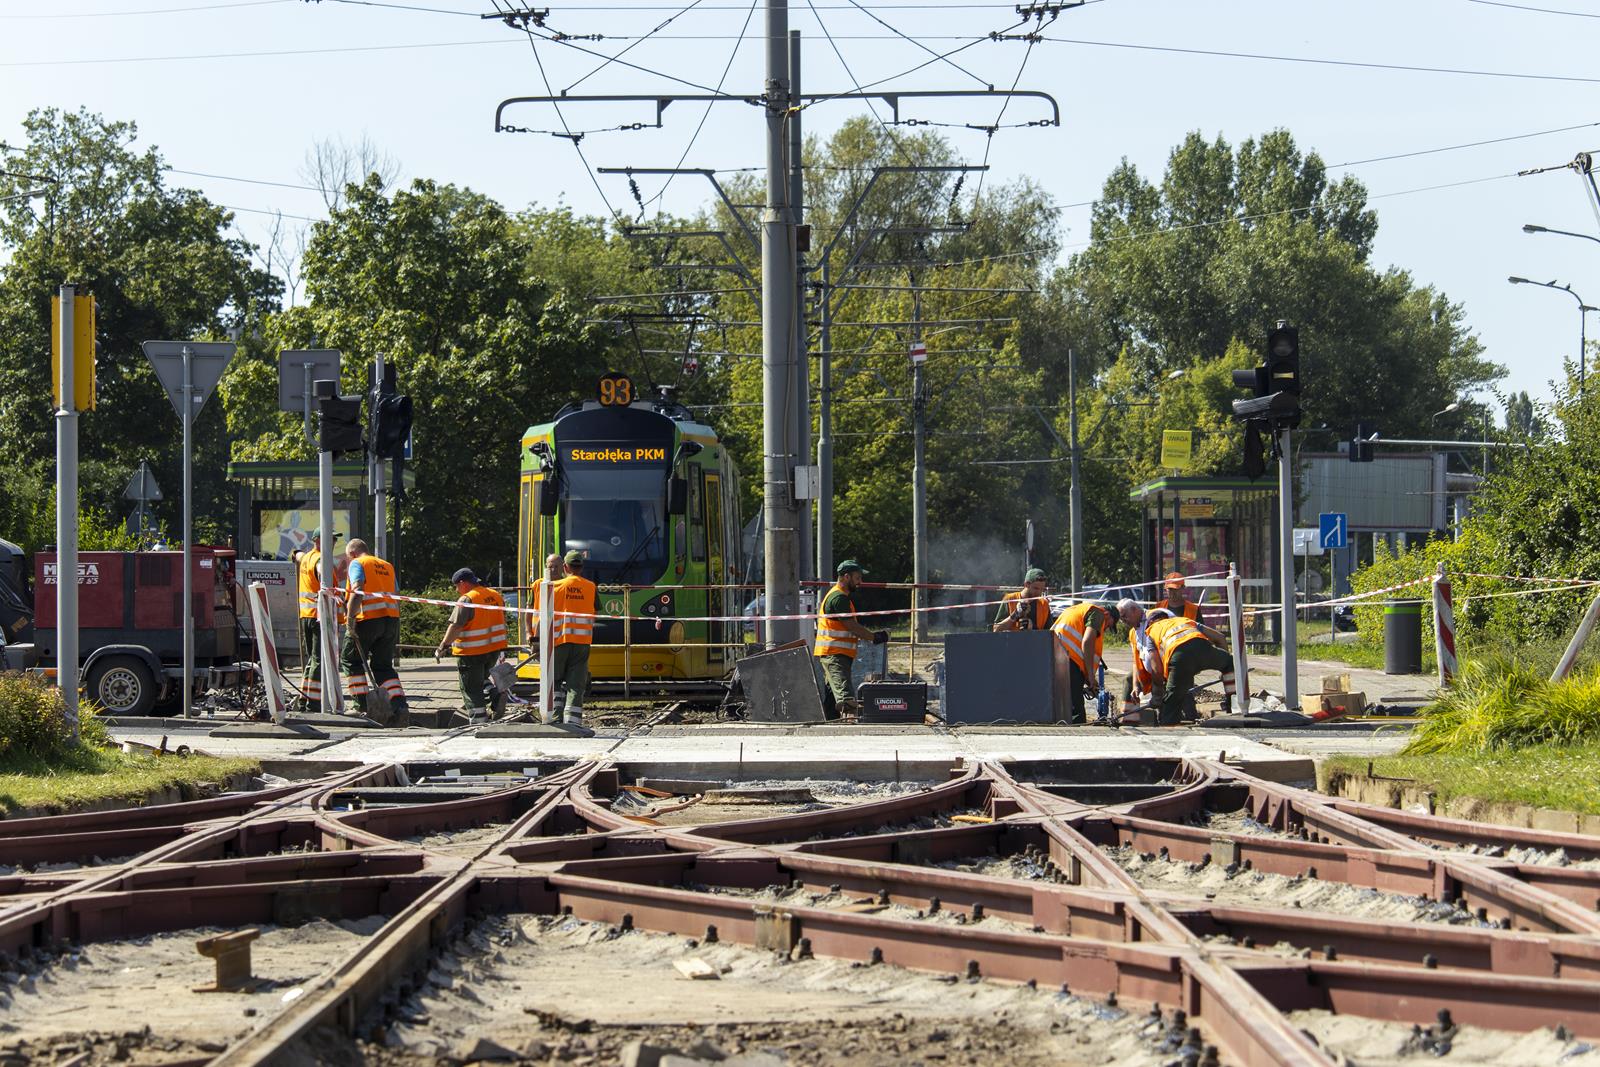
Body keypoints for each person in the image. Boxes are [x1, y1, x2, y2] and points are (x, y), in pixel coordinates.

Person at [1120, 600, 1235, 725]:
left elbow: (1156, 670)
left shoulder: (1151, 632)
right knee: (1229, 662)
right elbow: (1220, 637)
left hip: (1180, 660)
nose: (1123, 620)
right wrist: (1224, 671)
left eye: (1125, 616)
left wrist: (1157, 696)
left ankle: (1168, 728)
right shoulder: (1184, 621)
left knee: (1170, 705)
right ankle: (1233, 704)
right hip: (1204, 649)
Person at [340, 538, 408, 724]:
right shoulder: (387, 566)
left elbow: (357, 591)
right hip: (390, 620)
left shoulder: (357, 563)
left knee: (350, 659)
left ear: (352, 553)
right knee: (383, 666)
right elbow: (396, 593)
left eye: (347, 557)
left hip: (368, 620)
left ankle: (362, 706)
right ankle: (399, 705)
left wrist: (350, 620)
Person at [813, 560, 888, 720]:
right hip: (835, 654)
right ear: (846, 577)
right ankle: (849, 726)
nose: (860, 582)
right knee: (845, 695)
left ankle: (830, 723)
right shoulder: (839, 598)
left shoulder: (840, 597)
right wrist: (876, 637)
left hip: (837, 654)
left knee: (832, 694)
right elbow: (852, 626)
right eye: (857, 577)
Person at [435, 568, 508, 723]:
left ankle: (478, 722)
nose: (456, 590)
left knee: (470, 688)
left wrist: (443, 646)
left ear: (463, 583)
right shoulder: (495, 595)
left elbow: (456, 626)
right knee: (481, 679)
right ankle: (495, 695)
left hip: (471, 652)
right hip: (493, 650)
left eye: (456, 586)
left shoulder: (467, 600)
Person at [292, 528, 344, 712]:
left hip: (308, 615)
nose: (334, 543)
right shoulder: (322, 560)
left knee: (313, 659)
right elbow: (322, 572)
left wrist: (295, 553)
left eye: (334, 540)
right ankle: (314, 702)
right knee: (320, 660)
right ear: (317, 540)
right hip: (319, 617)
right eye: (330, 539)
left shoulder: (307, 557)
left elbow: (297, 556)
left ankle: (304, 698)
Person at [546, 549, 596, 728]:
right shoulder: (590, 586)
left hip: (559, 641)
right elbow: (596, 608)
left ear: (565, 567)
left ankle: (555, 718)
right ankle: (573, 723)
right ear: (581, 567)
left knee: (556, 680)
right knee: (576, 684)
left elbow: (544, 614)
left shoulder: (555, 586)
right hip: (582, 642)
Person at [1048, 600, 1108, 725]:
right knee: (1076, 710)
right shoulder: (1098, 614)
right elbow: (1087, 642)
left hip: (1053, 655)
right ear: (1108, 614)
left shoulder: (1075, 610)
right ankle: (1078, 733)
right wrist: (1091, 676)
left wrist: (1088, 678)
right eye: (1108, 625)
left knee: (1061, 705)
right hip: (1068, 660)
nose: (1105, 629)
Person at [993, 568, 1050, 632]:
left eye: (1042, 589)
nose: (1039, 592)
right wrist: (1015, 614)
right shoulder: (1010, 599)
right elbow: (996, 629)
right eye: (1036, 588)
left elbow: (1050, 634)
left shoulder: (1044, 604)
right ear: (1026, 584)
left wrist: (1033, 627)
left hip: (1035, 641)